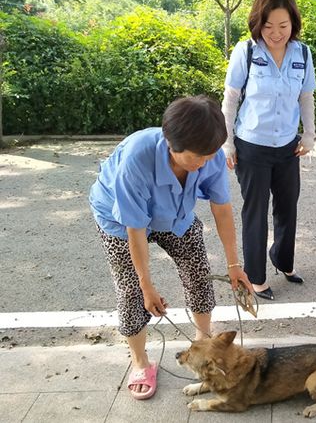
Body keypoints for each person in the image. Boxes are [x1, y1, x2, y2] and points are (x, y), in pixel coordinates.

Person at [89, 95, 253, 401]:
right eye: (196, 157)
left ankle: (203, 340)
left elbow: (221, 209)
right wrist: (147, 285)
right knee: (131, 291)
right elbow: (135, 229)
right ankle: (140, 361)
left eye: (209, 155)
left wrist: (234, 265)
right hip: (120, 221)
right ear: (170, 143)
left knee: (199, 270)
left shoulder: (210, 155)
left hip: (174, 214)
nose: (203, 163)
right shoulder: (136, 161)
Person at [220, 0, 316, 301]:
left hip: (288, 146)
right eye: (268, 25)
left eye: (283, 26)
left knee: (288, 207)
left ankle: (284, 261)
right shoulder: (245, 52)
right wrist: (227, 143)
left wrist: (310, 135)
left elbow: (306, 97)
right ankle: (256, 278)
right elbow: (230, 100)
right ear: (258, 23)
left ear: (293, 24)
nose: (276, 33)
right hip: (252, 146)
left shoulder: (302, 54)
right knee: (256, 211)